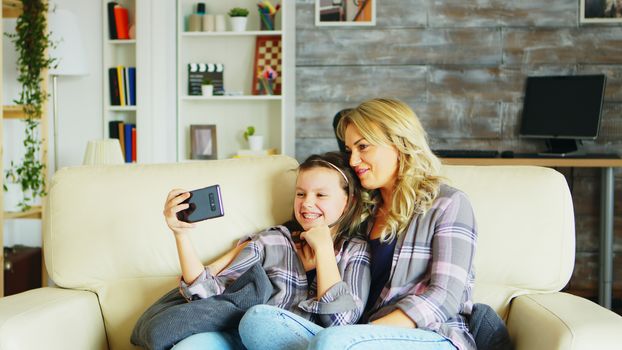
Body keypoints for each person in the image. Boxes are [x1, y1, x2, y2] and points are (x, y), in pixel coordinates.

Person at [238, 98, 477, 350]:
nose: (353, 161)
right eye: (350, 150)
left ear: (400, 144)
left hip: (430, 335)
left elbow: (445, 297)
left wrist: (365, 334)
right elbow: (293, 235)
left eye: (363, 147)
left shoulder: (448, 204)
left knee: (331, 342)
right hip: (352, 334)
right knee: (258, 322)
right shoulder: (361, 209)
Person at [161, 152, 371, 349]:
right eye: (300, 193)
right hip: (245, 337)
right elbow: (205, 293)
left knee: (258, 319)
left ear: (348, 201)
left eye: (321, 195)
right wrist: (180, 235)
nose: (307, 203)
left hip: (307, 342)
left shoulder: (355, 250)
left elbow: (341, 323)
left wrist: (324, 248)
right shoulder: (271, 241)